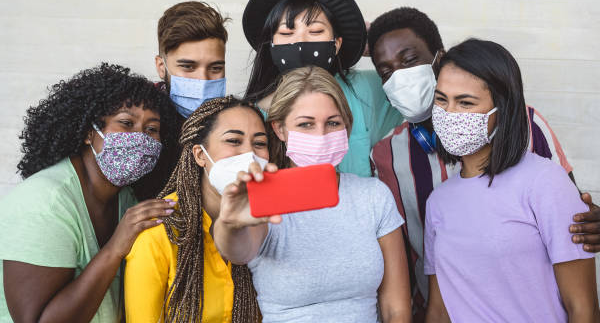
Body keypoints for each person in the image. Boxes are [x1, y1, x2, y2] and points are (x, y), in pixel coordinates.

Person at [367, 7, 600, 321]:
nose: (399, 76)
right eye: (386, 71)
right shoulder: (390, 159)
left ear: (438, 59)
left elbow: (573, 223)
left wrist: (590, 224)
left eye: (410, 60)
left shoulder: (531, 132)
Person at [214, 66, 412, 323]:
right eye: (305, 124)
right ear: (279, 129)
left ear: (347, 127)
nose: (321, 135)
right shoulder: (265, 196)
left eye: (332, 123)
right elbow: (237, 252)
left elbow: (395, 308)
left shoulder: (373, 196)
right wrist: (229, 224)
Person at [424, 39, 599, 322]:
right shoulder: (439, 202)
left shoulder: (545, 182)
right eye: (441, 99)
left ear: (502, 109)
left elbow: (583, 308)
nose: (449, 114)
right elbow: (440, 310)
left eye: (465, 102)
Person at [0, 63, 180, 322]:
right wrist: (115, 248)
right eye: (126, 123)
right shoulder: (43, 205)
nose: (140, 138)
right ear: (89, 132)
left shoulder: (127, 199)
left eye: (152, 129)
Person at [242, 0, 403, 177]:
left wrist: (383, 43)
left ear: (336, 44)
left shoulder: (365, 89)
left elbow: (429, 90)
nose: (301, 42)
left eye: (316, 32)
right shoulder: (256, 113)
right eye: (286, 33)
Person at [124, 96, 267, 323]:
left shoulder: (268, 224)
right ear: (200, 155)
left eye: (259, 144)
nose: (249, 155)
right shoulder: (158, 233)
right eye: (233, 140)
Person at [155, 1, 230, 118]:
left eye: (216, 68)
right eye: (188, 67)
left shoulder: (234, 122)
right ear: (161, 67)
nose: (203, 79)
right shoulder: (140, 121)